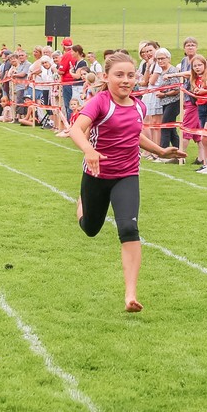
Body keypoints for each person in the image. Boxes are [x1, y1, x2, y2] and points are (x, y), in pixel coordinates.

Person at [65, 52, 186, 313]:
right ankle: (82, 203)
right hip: (97, 175)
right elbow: (76, 129)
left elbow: (135, 134)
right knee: (90, 228)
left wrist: (160, 151)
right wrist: (89, 150)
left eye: (130, 75)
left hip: (127, 175)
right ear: (106, 77)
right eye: (119, 75)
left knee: (129, 229)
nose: (126, 80)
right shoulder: (100, 102)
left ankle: (130, 295)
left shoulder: (139, 106)